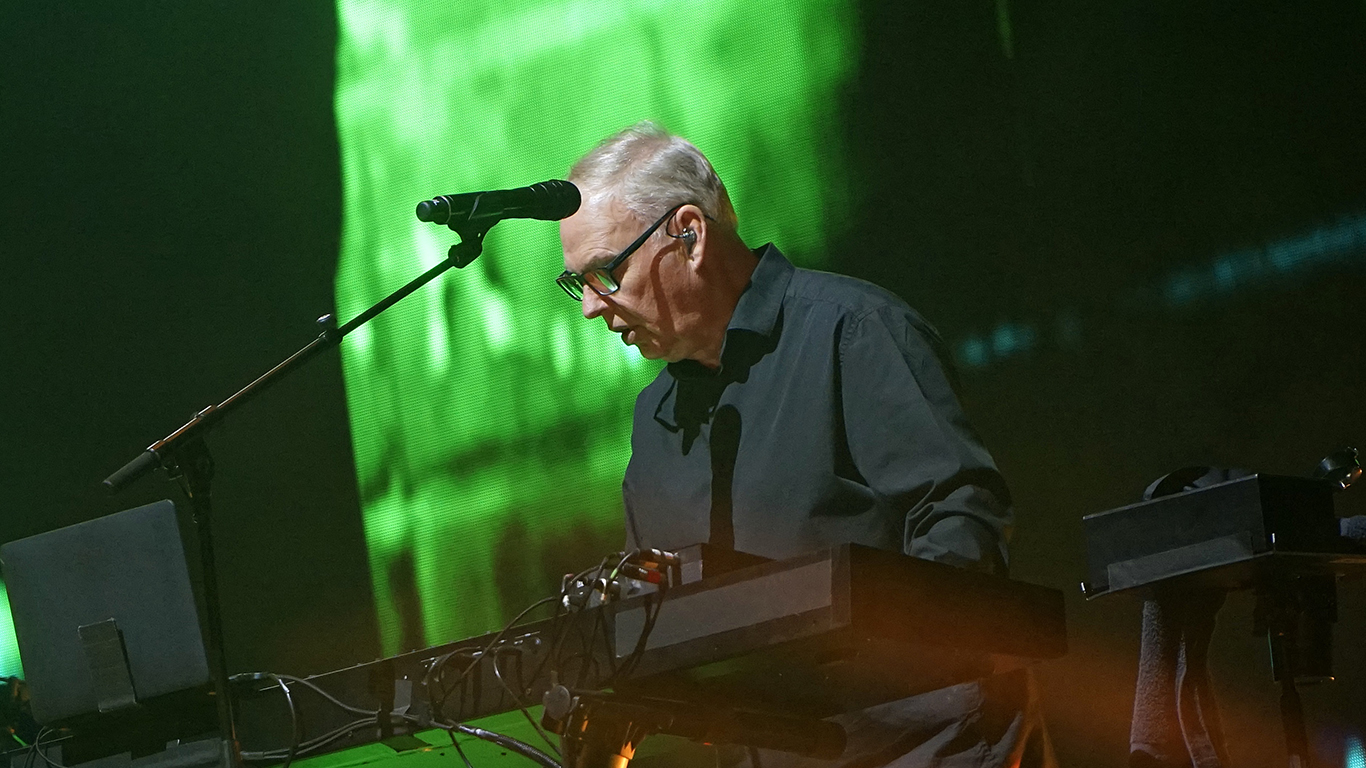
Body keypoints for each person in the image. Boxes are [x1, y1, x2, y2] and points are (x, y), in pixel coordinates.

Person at [556, 121, 1053, 768]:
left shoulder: (854, 331)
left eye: (605, 273)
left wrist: (873, 665)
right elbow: (655, 616)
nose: (593, 307)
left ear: (689, 234)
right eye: (578, 284)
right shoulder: (655, 417)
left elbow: (961, 521)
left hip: (926, 744)